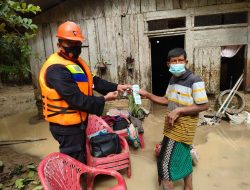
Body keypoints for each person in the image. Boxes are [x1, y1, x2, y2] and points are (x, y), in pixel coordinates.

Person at [39, 21, 131, 163]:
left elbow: (93, 81)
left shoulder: (76, 63)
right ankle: (77, 183)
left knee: (81, 153)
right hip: (65, 126)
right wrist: (104, 99)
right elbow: (76, 99)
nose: (75, 48)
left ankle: (83, 178)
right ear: (59, 45)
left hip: (78, 122)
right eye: (69, 43)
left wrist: (117, 86)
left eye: (77, 44)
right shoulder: (56, 69)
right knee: (75, 161)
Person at [138, 48, 209, 190]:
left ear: (186, 62)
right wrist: (147, 94)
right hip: (171, 126)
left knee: (163, 164)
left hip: (183, 129)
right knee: (184, 157)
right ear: (168, 64)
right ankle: (188, 187)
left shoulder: (194, 80)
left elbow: (205, 105)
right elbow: (166, 100)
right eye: (174, 61)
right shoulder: (173, 79)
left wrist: (179, 110)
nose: (177, 63)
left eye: (180, 60)